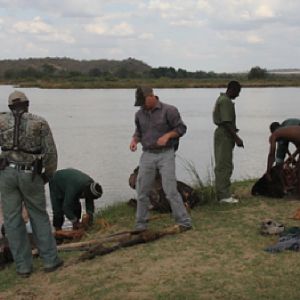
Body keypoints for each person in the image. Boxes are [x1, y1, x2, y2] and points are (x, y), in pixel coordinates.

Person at [0, 91, 63, 277]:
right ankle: (51, 261)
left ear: (10, 106)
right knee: (39, 216)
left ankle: (23, 267)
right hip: (31, 173)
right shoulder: (39, 122)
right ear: (27, 104)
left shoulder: (1, 121)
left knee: (11, 219)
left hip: (6, 174)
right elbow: (51, 153)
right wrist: (48, 175)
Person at [129, 86, 192, 231]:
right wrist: (134, 140)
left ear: (151, 96)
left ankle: (184, 222)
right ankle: (141, 224)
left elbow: (181, 129)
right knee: (142, 190)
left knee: (170, 190)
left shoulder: (170, 110)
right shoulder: (139, 114)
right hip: (147, 154)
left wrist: (168, 136)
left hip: (166, 154)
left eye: (143, 102)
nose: (142, 106)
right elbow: (139, 132)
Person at [213, 81, 244, 203]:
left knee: (224, 164)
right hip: (224, 135)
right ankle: (224, 196)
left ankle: (223, 193)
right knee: (224, 165)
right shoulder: (225, 101)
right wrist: (237, 138)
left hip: (223, 134)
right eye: (238, 92)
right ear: (232, 89)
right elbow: (226, 122)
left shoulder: (222, 98)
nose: (238, 95)